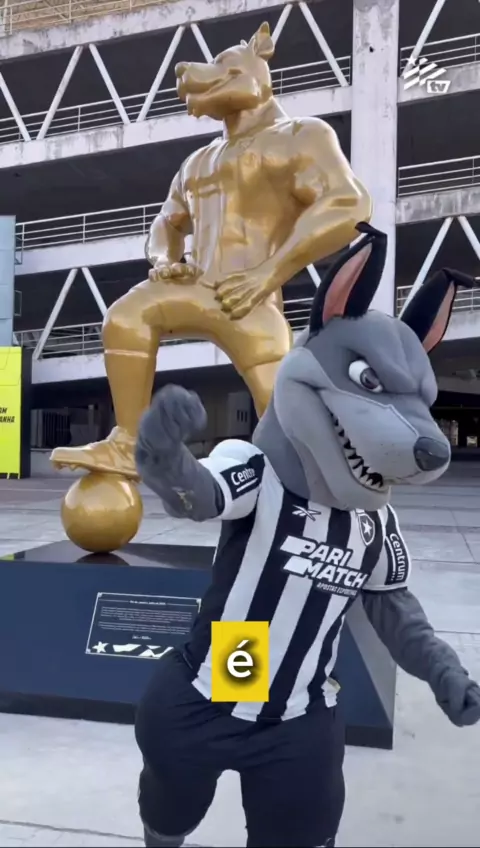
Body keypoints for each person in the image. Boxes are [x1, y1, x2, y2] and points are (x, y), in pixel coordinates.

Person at [134, 224, 480, 848]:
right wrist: (164, 456)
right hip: (210, 693)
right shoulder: (258, 469)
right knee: (168, 817)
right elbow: (200, 497)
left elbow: (393, 607)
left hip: (300, 715)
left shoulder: (375, 520)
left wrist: (443, 671)